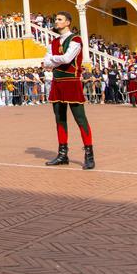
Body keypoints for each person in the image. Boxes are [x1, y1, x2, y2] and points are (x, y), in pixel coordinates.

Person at [43, 11, 95, 170]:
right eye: (55, 19)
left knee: (80, 119)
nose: (56, 22)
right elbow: (46, 63)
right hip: (57, 82)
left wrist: (53, 59)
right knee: (59, 119)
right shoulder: (53, 42)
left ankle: (89, 155)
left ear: (67, 22)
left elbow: (67, 59)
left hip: (72, 82)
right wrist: (53, 60)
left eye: (59, 19)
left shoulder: (76, 40)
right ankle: (62, 154)